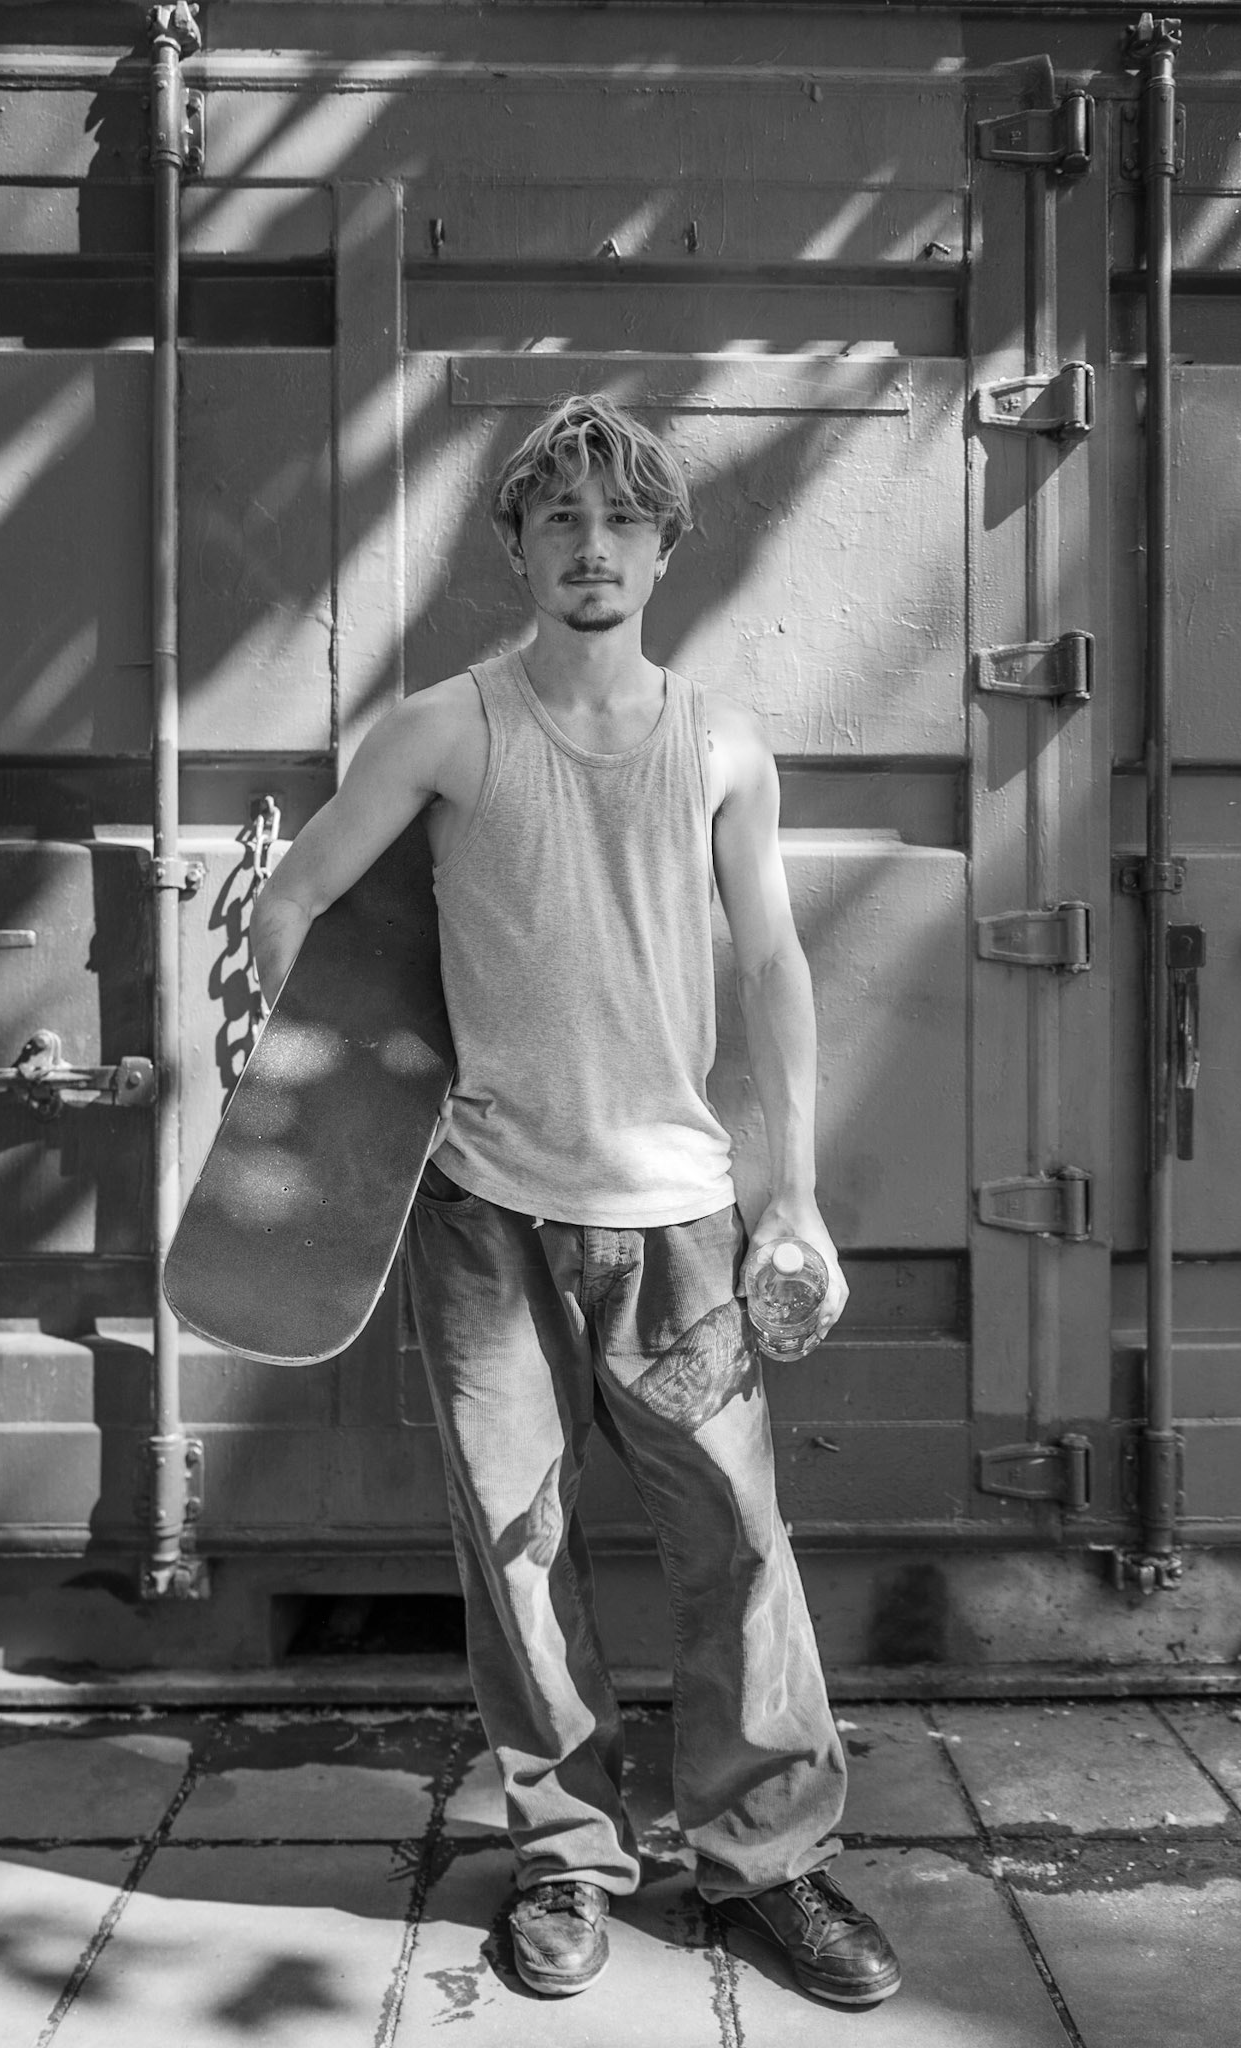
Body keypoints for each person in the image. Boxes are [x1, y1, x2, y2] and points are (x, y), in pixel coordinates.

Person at [251, 394, 901, 2009]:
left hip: (678, 1219)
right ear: (518, 550)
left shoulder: (720, 744)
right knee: (520, 1548)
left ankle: (771, 1861)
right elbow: (295, 902)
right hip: (483, 1215)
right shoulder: (446, 728)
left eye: (621, 522)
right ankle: (568, 1858)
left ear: (666, 550)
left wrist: (791, 1201)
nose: (590, 547)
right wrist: (361, 1123)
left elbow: (769, 966)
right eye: (558, 521)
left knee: (737, 1547)